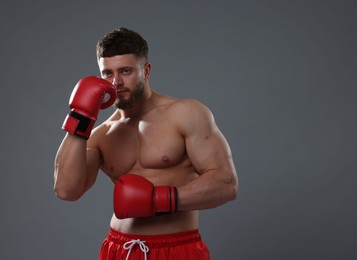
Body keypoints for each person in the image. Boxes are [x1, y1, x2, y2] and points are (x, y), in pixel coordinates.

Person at [54, 27, 238, 260]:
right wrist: (80, 118)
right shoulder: (101, 134)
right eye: (107, 73)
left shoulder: (186, 113)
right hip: (118, 249)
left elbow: (226, 184)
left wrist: (158, 200)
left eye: (126, 71)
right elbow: (66, 190)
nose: (116, 82)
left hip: (175, 249)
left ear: (146, 70)